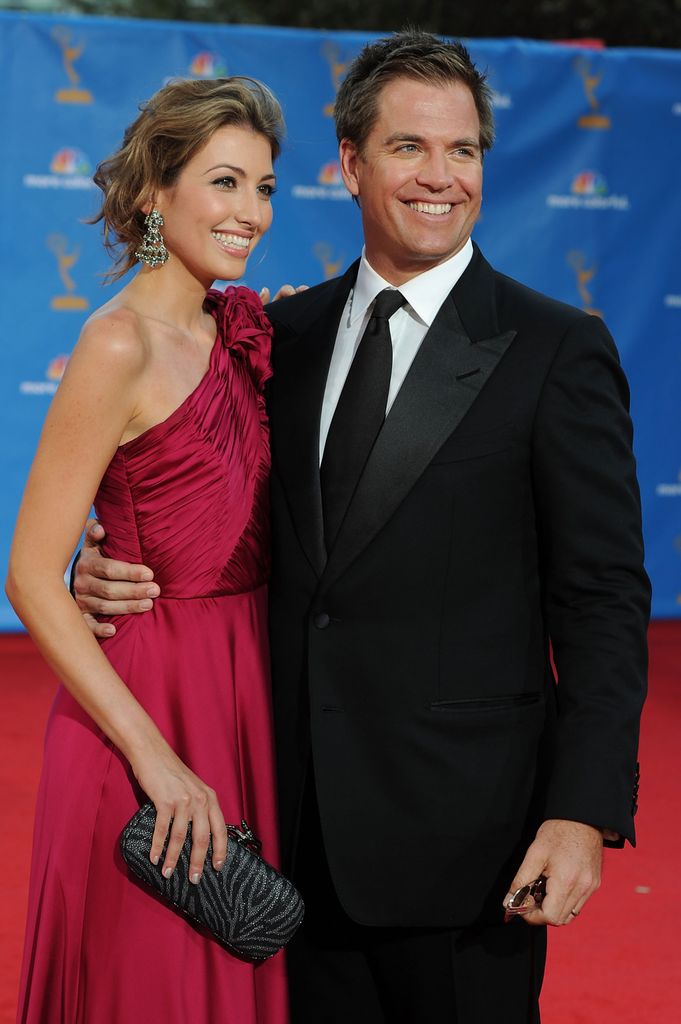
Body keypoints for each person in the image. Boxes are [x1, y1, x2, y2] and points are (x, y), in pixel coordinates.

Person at [72, 31, 650, 1024]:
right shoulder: (276, 338)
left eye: (462, 150)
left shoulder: (557, 347)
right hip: (289, 831)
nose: (441, 177)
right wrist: (105, 558)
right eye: (410, 149)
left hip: (470, 849)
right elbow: (210, 507)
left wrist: (582, 809)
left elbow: (601, 596)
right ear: (349, 165)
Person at [6, 77, 290, 1023]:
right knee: (152, 985)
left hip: (245, 689)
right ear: (152, 195)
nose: (250, 211)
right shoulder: (115, 345)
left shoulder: (244, 330)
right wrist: (157, 761)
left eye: (264, 186)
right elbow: (30, 576)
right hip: (144, 711)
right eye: (224, 182)